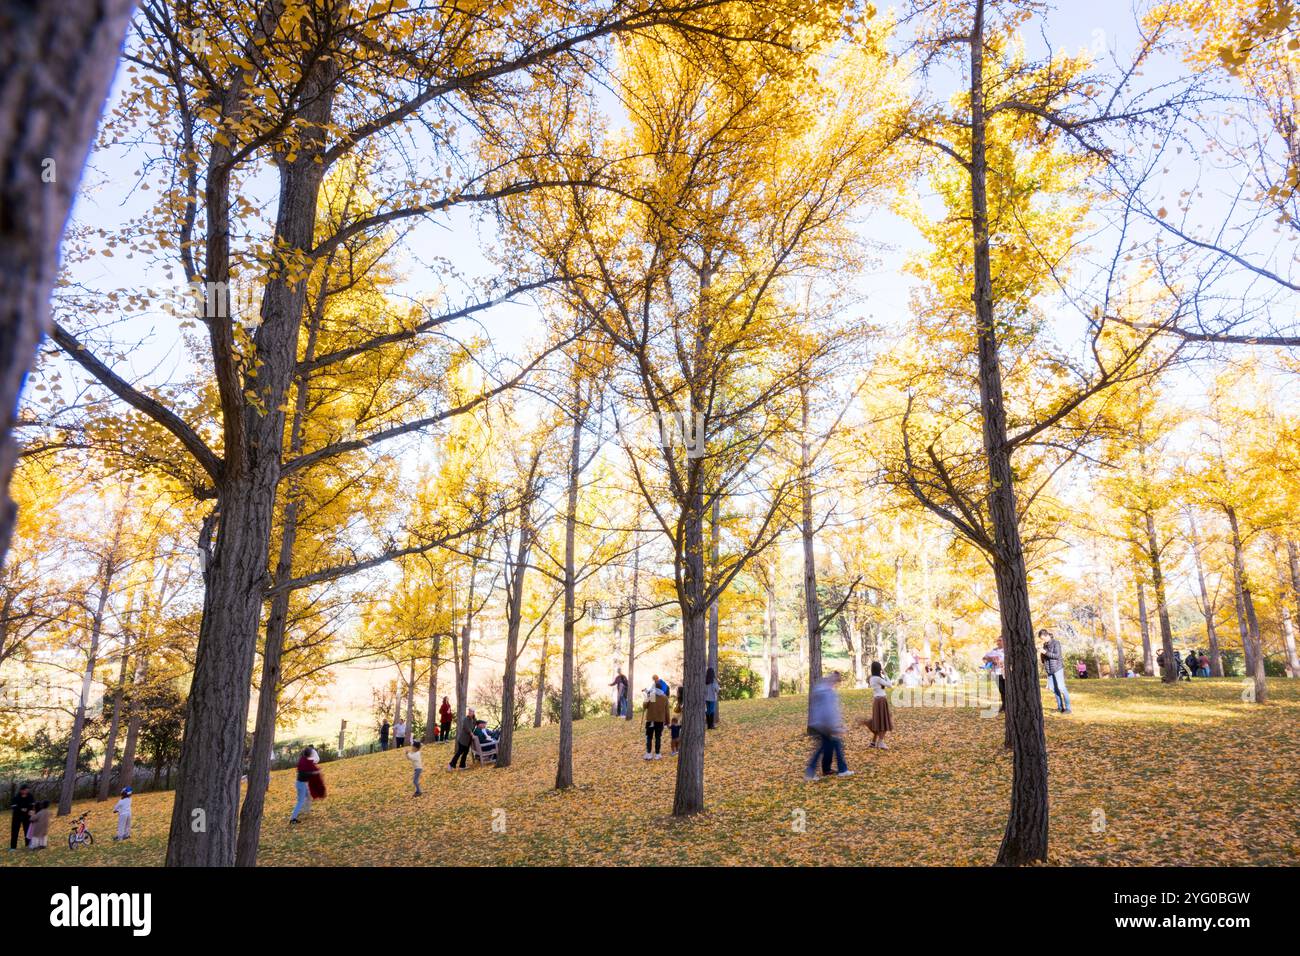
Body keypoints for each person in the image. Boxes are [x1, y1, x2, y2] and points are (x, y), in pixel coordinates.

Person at [804, 671, 852, 781]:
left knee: (828, 746)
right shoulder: (827, 691)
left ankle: (827, 769)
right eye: (837, 681)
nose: (836, 683)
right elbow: (829, 710)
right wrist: (834, 726)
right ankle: (841, 770)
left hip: (819, 723)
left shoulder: (820, 687)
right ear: (834, 679)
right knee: (830, 745)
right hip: (825, 724)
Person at [863, 661, 895, 749]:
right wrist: (885, 673)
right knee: (884, 721)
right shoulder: (877, 679)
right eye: (880, 668)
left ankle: (873, 742)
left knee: (879, 722)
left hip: (877, 701)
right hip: (881, 701)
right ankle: (880, 742)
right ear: (879, 669)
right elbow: (890, 685)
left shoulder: (871, 678)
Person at [1040, 630, 1071, 714]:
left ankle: (1068, 709)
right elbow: (1045, 659)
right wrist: (1042, 654)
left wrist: (1045, 652)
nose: (1043, 640)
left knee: (1061, 687)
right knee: (1053, 689)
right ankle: (1060, 708)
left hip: (1057, 668)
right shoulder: (1045, 645)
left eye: (1043, 638)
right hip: (1049, 669)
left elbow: (1057, 656)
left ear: (1046, 635)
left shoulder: (1056, 643)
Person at [291, 747, 318, 824]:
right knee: (300, 801)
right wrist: (314, 773)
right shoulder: (304, 762)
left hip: (302, 783)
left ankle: (305, 810)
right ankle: (293, 818)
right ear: (309, 754)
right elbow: (304, 773)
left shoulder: (303, 760)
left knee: (308, 796)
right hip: (301, 784)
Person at [643, 686, 669, 760]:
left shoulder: (652, 695)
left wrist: (647, 696)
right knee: (658, 737)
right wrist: (668, 722)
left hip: (650, 720)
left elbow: (644, 706)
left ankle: (649, 753)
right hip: (660, 720)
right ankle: (657, 754)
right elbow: (667, 711)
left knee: (649, 737)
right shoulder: (664, 697)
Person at [983, 639, 1006, 713]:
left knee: (1007, 690)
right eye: (998, 640)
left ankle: (1008, 705)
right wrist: (991, 660)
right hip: (996, 673)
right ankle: (1004, 705)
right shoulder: (993, 651)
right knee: (1001, 690)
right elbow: (984, 659)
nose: (998, 642)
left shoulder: (1007, 650)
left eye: (1000, 640)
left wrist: (1001, 663)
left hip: (1005, 673)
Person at [9, 782, 33, 850]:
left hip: (27, 817)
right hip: (17, 817)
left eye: (27, 789)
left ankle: (28, 844)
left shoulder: (30, 796)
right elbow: (14, 806)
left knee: (28, 830)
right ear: (21, 790)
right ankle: (13, 847)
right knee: (15, 831)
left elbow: (31, 805)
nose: (26, 791)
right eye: (25, 790)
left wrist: (29, 810)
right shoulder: (16, 797)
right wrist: (21, 809)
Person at [670, 686, 683, 756]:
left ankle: (676, 749)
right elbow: (676, 710)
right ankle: (676, 749)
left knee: (676, 738)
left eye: (677, 692)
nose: (676, 693)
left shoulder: (682, 702)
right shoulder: (679, 701)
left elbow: (680, 711)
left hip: (680, 721)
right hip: (677, 720)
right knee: (676, 736)